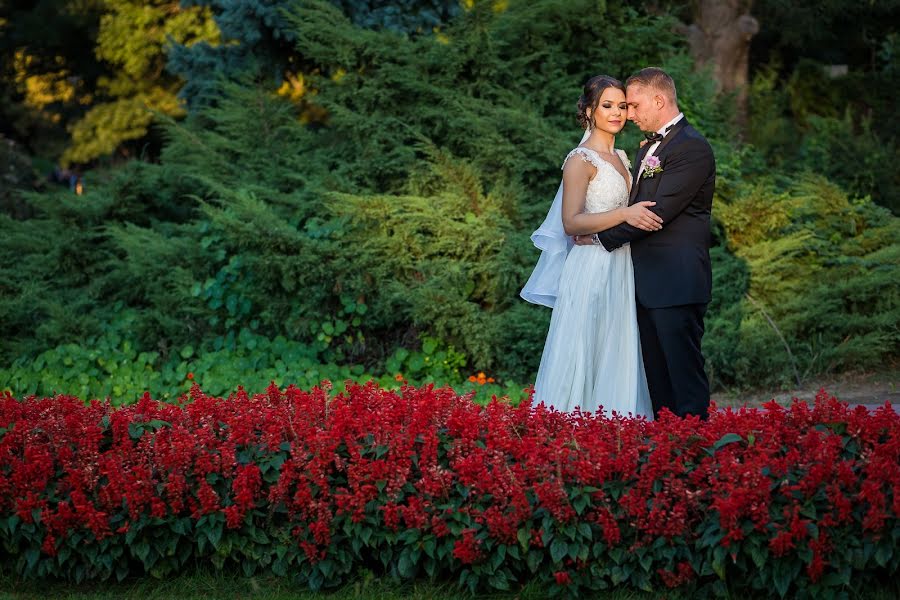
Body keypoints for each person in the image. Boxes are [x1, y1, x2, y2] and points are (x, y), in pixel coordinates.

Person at [576, 67, 715, 420]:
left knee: (683, 380)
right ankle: (665, 453)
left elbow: (654, 214)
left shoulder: (691, 148)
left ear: (659, 100)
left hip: (675, 282)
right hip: (640, 283)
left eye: (634, 106)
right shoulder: (646, 150)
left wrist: (595, 237)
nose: (629, 115)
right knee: (656, 384)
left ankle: (695, 455)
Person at [521, 75, 660, 418]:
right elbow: (571, 222)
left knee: (615, 344)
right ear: (589, 111)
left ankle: (616, 424)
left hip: (621, 264)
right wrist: (624, 213)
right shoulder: (580, 160)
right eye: (607, 105)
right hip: (591, 265)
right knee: (584, 342)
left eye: (622, 105)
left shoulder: (625, 158)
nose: (616, 112)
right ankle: (569, 426)